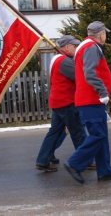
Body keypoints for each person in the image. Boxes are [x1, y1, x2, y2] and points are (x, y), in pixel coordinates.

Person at [64, 21, 111, 184]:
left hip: (91, 99)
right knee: (98, 135)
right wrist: (103, 91)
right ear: (101, 34)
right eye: (105, 33)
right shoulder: (90, 47)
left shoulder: (86, 46)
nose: (106, 36)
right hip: (90, 99)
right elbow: (89, 73)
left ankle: (104, 171)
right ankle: (74, 164)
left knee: (101, 136)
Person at [35, 35, 86, 172]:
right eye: (74, 46)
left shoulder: (56, 59)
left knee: (54, 132)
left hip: (57, 102)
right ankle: (84, 161)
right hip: (67, 102)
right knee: (78, 132)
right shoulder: (65, 62)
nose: (76, 49)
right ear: (67, 47)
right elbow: (81, 77)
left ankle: (42, 160)